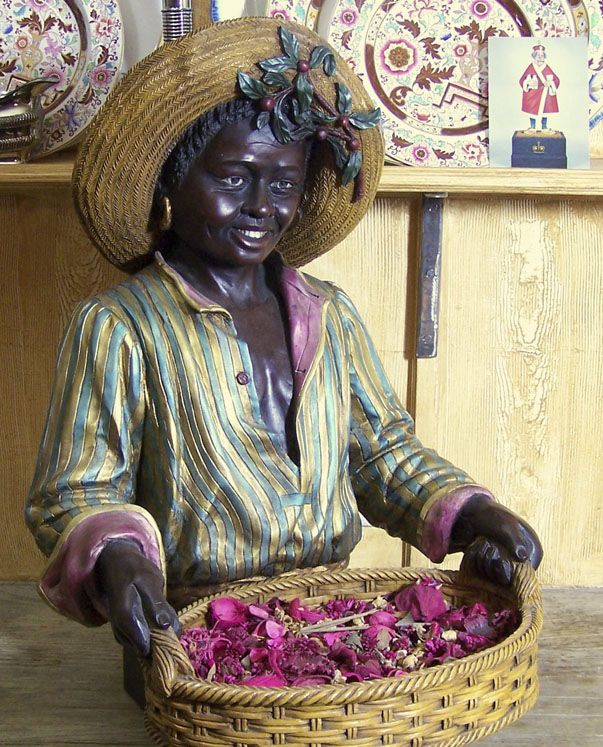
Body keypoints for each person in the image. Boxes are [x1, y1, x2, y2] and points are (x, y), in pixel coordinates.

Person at [26, 19, 542, 662]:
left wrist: (472, 514)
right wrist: (118, 560)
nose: (259, 206)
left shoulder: (329, 314)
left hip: (336, 629)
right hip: (185, 635)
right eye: (232, 178)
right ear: (169, 184)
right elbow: (76, 491)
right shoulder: (120, 326)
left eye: (283, 184)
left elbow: (382, 454)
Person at [519, 43, 560, 131]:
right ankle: (532, 127)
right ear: (534, 56)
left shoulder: (547, 68)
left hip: (545, 94)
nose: (540, 57)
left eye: (542, 55)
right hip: (532, 95)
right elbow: (521, 80)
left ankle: (544, 127)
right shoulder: (531, 67)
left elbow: (556, 80)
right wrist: (528, 82)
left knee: (545, 110)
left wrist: (551, 83)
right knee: (531, 110)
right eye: (538, 55)